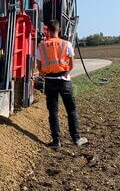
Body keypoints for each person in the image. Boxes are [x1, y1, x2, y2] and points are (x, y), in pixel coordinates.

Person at [36, 20, 88, 148]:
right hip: (64, 80)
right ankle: (76, 139)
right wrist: (66, 72)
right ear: (59, 30)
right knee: (71, 109)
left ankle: (56, 141)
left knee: (53, 111)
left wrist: (44, 74)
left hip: (49, 81)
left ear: (47, 30)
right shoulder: (67, 44)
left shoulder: (41, 46)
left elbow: (39, 66)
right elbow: (71, 63)